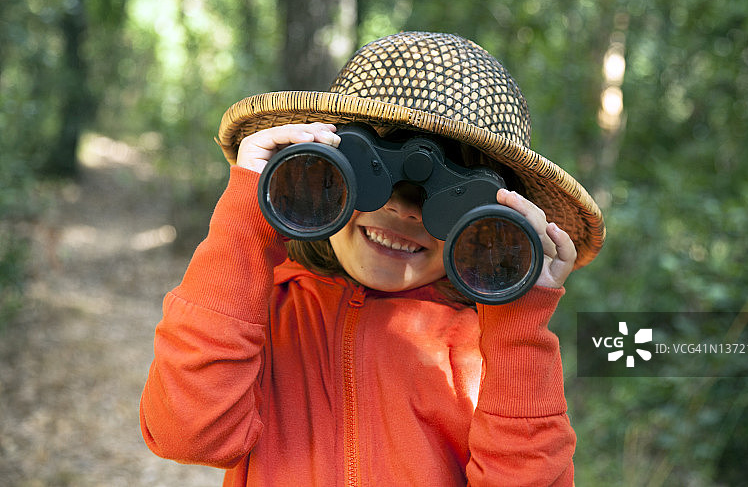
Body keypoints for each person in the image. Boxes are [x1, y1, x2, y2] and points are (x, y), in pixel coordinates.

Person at [140, 31, 605, 486]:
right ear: (319, 171)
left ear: (494, 221)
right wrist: (251, 214)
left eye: (452, 200)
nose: (404, 208)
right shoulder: (262, 314)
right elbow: (188, 433)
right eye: (371, 171)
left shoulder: (486, 350)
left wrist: (518, 317)